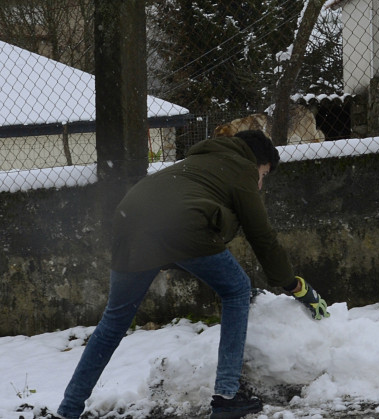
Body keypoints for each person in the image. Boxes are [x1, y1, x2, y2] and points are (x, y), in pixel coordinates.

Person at [56, 129, 328, 419]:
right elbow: (262, 237)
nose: (260, 184)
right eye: (263, 175)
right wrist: (291, 283)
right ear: (257, 161)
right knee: (236, 289)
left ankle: (68, 408)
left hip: (129, 220)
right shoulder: (242, 168)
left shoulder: (199, 162)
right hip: (180, 225)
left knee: (114, 321)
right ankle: (226, 396)